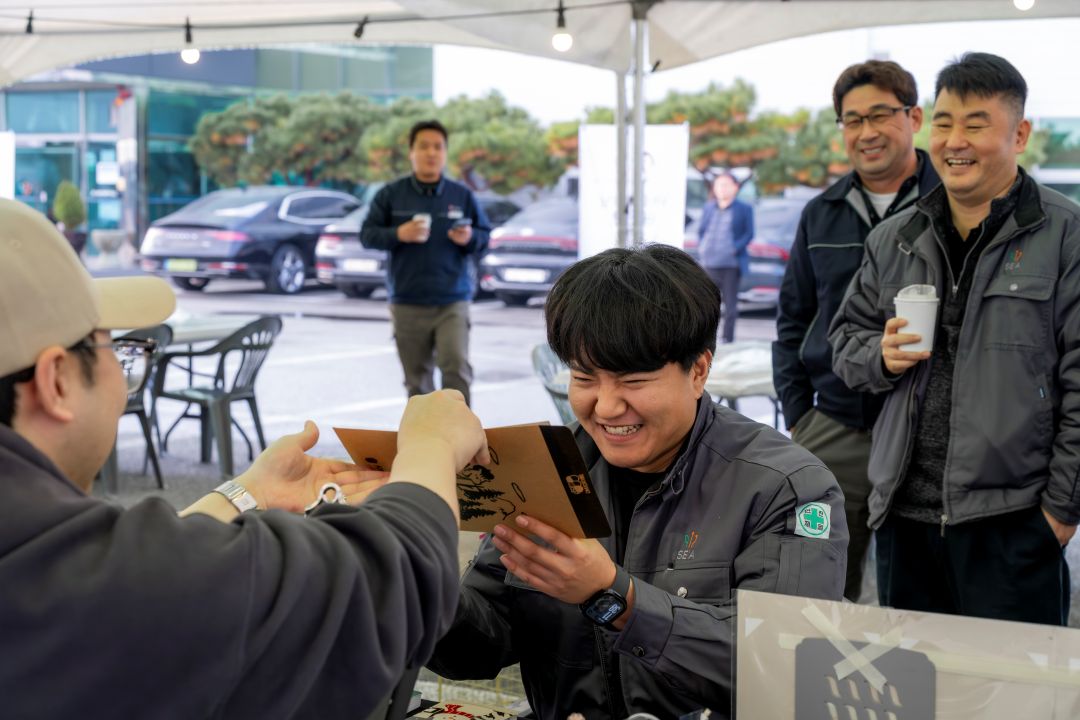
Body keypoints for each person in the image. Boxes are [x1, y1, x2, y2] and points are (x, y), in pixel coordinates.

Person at [0, 198, 490, 716]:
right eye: (116, 352)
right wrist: (430, 446)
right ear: (56, 381)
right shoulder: (88, 582)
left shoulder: (41, 556)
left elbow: (136, 569)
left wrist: (246, 492)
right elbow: (390, 584)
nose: (123, 381)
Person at [428, 244, 847, 719]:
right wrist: (407, 567)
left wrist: (614, 598)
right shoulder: (545, 470)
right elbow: (476, 650)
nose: (605, 408)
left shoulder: (785, 488)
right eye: (584, 378)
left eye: (633, 381)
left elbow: (784, 669)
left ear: (699, 371)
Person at [829, 52, 1080, 625]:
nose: (954, 140)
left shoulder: (1066, 237)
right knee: (916, 691)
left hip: (1014, 522)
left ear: (1019, 133)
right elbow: (845, 341)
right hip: (904, 521)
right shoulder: (898, 235)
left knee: (1012, 699)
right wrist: (881, 357)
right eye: (943, 123)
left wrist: (1061, 511)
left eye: (975, 124)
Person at [773, 60, 940, 601]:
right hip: (835, 427)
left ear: (913, 116)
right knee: (816, 577)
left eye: (879, 115)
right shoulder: (821, 213)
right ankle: (822, 679)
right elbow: (793, 317)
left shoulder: (952, 202)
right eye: (851, 120)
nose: (866, 132)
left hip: (926, 430)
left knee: (916, 586)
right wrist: (800, 415)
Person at [360, 119, 491, 406]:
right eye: (424, 146)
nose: (431, 153)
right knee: (417, 382)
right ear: (411, 152)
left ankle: (462, 444)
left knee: (456, 369)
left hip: (452, 300)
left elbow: (485, 237)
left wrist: (469, 237)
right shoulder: (391, 194)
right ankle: (425, 447)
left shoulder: (461, 195)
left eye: (438, 147)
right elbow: (367, 235)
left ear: (445, 153)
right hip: (407, 301)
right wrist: (399, 233)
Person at [697, 172, 754, 343]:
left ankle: (728, 339)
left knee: (730, 306)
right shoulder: (709, 207)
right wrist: (703, 248)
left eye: (726, 185)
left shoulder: (744, 208)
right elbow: (702, 231)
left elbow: (749, 233)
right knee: (707, 304)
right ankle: (706, 339)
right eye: (719, 185)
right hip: (709, 263)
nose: (722, 189)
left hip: (731, 264)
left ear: (735, 187)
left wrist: (734, 249)